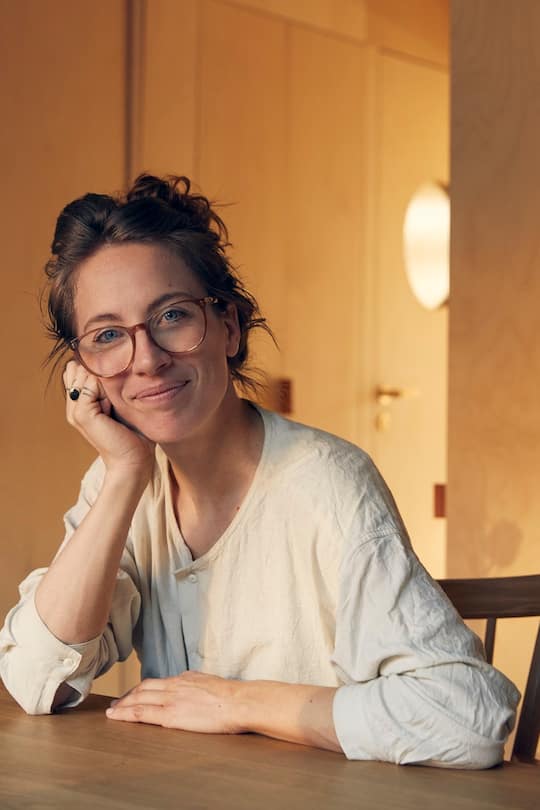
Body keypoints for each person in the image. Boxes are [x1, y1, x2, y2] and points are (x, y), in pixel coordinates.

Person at [0, 174, 519, 767]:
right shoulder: (125, 483)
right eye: (109, 335)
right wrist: (122, 472)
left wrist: (240, 704)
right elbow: (36, 679)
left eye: (172, 316)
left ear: (229, 325)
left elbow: (468, 716)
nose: (145, 361)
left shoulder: (329, 483)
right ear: (84, 370)